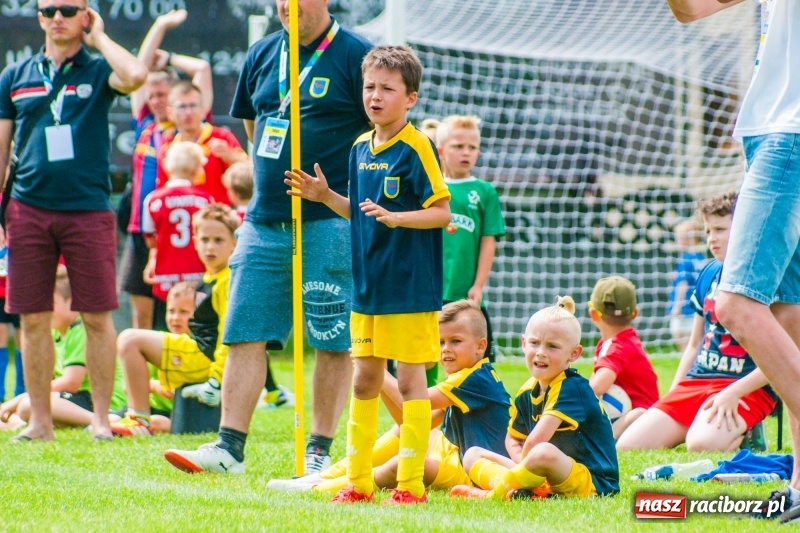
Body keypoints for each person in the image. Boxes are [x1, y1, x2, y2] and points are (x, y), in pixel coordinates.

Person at [162, 0, 373, 476]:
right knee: (244, 329)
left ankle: (318, 451)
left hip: (330, 219)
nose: (286, 6)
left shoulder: (356, 55)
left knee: (331, 337)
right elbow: (257, 129)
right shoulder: (261, 54)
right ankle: (228, 448)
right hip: (264, 218)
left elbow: (379, 129)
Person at [284, 45, 451, 505]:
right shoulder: (360, 146)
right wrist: (324, 196)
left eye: (387, 89)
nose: (375, 97)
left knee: (412, 381)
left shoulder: (419, 147)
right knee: (364, 381)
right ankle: (358, 484)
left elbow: (440, 213)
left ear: (410, 98)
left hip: (409, 286)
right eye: (369, 87)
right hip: (367, 286)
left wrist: (400, 219)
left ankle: (410, 487)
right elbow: (359, 213)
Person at [667, 0, 800, 523]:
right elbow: (692, 10)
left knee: (736, 304)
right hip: (766, 131)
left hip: (791, 134)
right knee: (787, 317)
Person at [0, 1, 146, 441]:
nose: (57, 17)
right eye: (48, 11)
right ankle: (40, 421)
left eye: (68, 9)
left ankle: (101, 421)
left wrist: (98, 36)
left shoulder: (98, 69)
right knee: (32, 317)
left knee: (98, 316)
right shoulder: (16, 76)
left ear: (85, 15)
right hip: (27, 207)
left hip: (88, 208)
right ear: (39, 18)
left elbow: (136, 75)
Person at [267, 299, 511, 494]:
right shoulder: (468, 376)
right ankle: (322, 476)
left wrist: (376, 371)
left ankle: (317, 488)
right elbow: (411, 418)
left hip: (471, 470)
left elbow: (414, 401)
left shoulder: (474, 379)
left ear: (481, 346)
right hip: (454, 454)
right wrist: (376, 377)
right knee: (407, 433)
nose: (446, 348)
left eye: (455, 341)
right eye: (440, 341)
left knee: (402, 465)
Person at [616, 192, 776, 452]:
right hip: (698, 381)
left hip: (744, 388)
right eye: (708, 230)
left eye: (720, 229)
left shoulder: (768, 279)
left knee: (700, 445)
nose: (711, 238)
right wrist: (675, 392)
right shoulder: (709, 273)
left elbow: (785, 356)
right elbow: (693, 346)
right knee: (629, 446)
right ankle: (703, 421)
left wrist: (733, 392)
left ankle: (746, 430)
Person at [450, 296, 620, 500]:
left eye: (552, 346)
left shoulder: (572, 388)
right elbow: (513, 437)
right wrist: (524, 466)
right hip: (541, 473)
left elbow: (534, 442)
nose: (541, 353)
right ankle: (523, 492)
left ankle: (494, 495)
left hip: (592, 482)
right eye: (534, 343)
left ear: (574, 353)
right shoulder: (527, 390)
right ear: (523, 343)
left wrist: (526, 464)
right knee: (473, 454)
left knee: (543, 451)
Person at [119, 8, 213, 331]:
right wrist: (159, 25)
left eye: (163, 95)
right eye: (152, 95)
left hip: (176, 233)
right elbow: (136, 71)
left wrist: (169, 58)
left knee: (187, 311)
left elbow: (201, 71)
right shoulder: (145, 126)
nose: (156, 101)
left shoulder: (186, 129)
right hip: (140, 229)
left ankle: (188, 377)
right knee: (141, 313)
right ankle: (143, 382)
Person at [111, 204, 238, 438]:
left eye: (218, 240)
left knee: (130, 339)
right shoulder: (211, 277)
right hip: (199, 354)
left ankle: (139, 419)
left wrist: (217, 378)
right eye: (205, 239)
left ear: (234, 243)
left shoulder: (227, 281)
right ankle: (147, 413)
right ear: (195, 241)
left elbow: (228, 334)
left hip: (204, 359)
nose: (210, 246)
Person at [0, 266, 127, 432]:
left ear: (73, 302)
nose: (46, 309)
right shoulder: (53, 333)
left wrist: (23, 397)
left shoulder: (81, 330)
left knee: (27, 405)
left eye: (51, 302)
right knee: (12, 418)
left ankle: (105, 420)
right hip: (74, 399)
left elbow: (71, 383)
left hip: (94, 401)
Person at [437, 115, 505, 362]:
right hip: (431, 291)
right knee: (428, 360)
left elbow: (489, 240)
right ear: (441, 150)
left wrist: (478, 285)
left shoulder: (484, 192)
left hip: (467, 294)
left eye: (472, 147)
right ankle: (431, 403)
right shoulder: (430, 187)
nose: (466, 152)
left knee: (478, 361)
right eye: (458, 146)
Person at [142, 141, 214, 331]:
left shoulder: (153, 199)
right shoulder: (205, 199)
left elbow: (150, 238)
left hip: (166, 274)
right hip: (197, 273)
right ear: (196, 169)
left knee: (169, 323)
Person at [588, 275, 659, 439]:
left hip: (644, 420)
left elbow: (597, 387)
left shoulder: (616, 347)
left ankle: (605, 439)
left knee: (638, 413)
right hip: (639, 416)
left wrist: (567, 398)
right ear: (635, 313)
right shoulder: (622, 341)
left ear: (593, 314)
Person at [156, 81, 246, 203]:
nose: (188, 112)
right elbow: (162, 189)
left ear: (204, 110)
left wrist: (230, 156)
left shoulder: (221, 137)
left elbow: (250, 171)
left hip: (217, 217)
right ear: (170, 113)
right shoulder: (168, 145)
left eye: (193, 105)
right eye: (182, 107)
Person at [668, 219, 706, 352]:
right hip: (696, 304)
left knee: (679, 335)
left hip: (684, 306)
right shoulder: (700, 257)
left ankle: (687, 365)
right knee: (695, 339)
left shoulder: (685, 259)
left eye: (678, 238)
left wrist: (676, 307)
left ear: (689, 238)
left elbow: (683, 284)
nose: (676, 241)